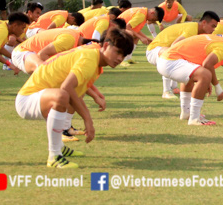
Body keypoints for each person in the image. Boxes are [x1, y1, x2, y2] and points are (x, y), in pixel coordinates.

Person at [14, 28, 134, 169]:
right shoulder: (90, 58)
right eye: (118, 52)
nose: (120, 59)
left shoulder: (93, 56)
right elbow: (66, 88)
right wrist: (88, 120)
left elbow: (75, 88)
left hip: (39, 97)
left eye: (124, 55)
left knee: (73, 95)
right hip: (27, 100)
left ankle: (59, 146)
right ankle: (54, 156)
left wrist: (95, 97)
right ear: (106, 45)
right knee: (63, 95)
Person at [156, 33, 223, 126]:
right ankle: (194, 119)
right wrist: (217, 87)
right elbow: (207, 64)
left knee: (194, 76)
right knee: (205, 74)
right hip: (170, 62)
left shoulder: (221, 38)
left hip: (165, 60)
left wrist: (206, 82)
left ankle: (186, 113)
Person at [144, 12, 220, 98]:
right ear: (204, 23)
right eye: (213, 26)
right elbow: (174, 46)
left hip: (162, 51)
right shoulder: (192, 30)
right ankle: (166, 91)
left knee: (180, 56)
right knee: (170, 54)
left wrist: (203, 78)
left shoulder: (198, 31)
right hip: (153, 51)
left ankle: (174, 88)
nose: (214, 29)